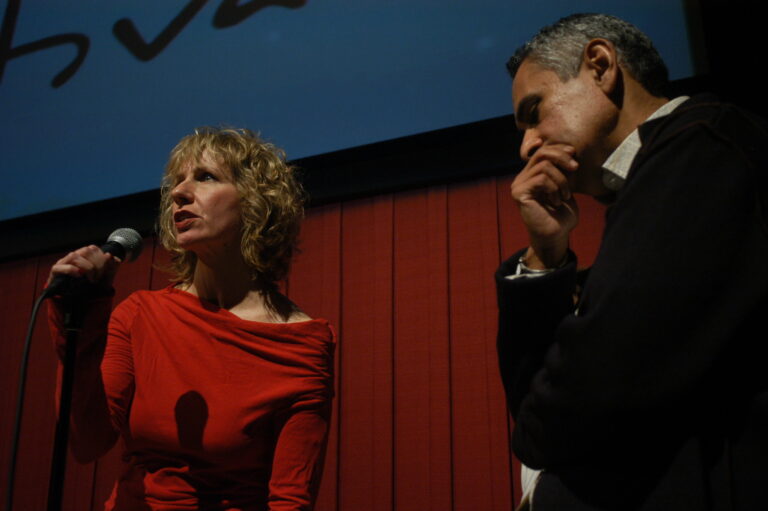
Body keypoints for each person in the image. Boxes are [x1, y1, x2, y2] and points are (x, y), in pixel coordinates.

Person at [496, 13, 768, 510]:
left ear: (600, 66)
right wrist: (546, 254)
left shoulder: (705, 147)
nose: (526, 145)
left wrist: (542, 425)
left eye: (534, 112)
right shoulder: (671, 170)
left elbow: (566, 413)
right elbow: (538, 411)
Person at [47, 127, 335, 510]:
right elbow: (87, 443)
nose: (179, 193)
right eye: (177, 181)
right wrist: (79, 329)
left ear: (257, 202)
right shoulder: (140, 315)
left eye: (206, 177)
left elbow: (290, 499)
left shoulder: (302, 343)